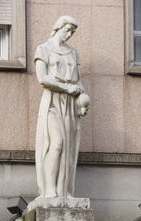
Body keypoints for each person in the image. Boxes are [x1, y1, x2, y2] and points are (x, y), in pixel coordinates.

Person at [34, 16, 88, 198]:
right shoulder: (43, 49)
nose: (70, 34)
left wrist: (82, 101)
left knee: (69, 149)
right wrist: (67, 87)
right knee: (56, 143)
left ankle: (63, 190)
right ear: (58, 27)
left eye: (73, 31)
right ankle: (49, 189)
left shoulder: (73, 53)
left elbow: (78, 81)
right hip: (52, 101)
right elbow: (42, 79)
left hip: (71, 103)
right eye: (68, 29)